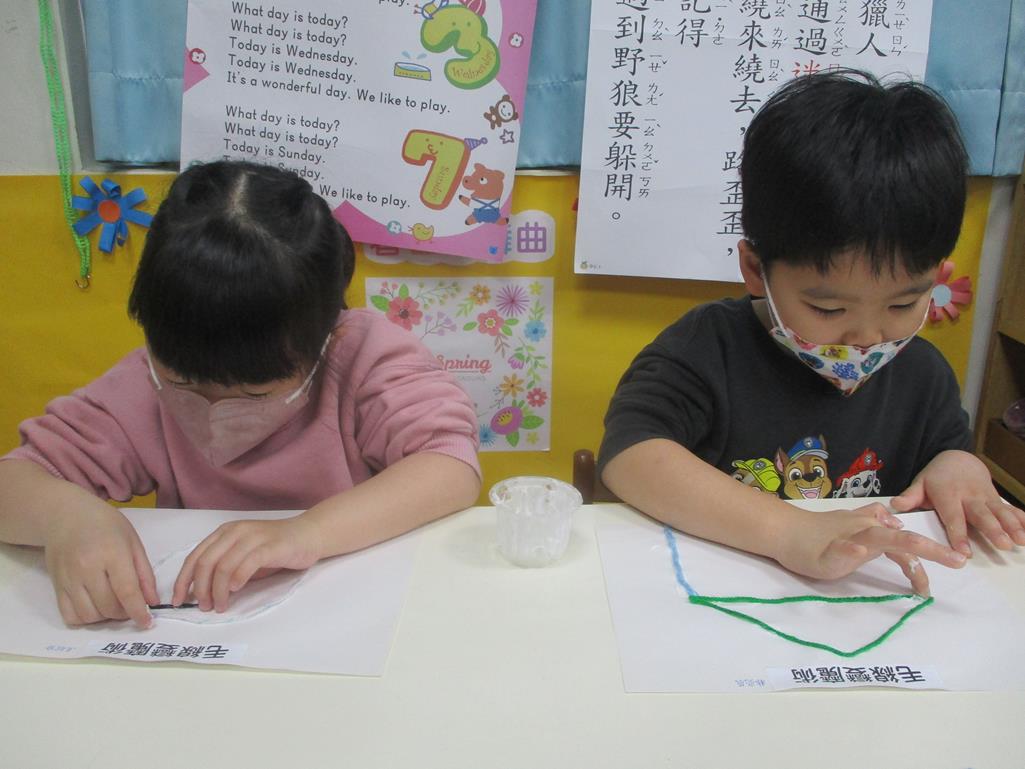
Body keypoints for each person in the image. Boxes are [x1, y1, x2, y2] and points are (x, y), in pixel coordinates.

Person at [0, 160, 481, 628]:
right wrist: (65, 516)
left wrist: (307, 533)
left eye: (254, 393)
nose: (213, 409)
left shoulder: (360, 356)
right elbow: (13, 482)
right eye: (183, 382)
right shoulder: (142, 382)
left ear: (324, 339)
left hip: (351, 617)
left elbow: (450, 465)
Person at [598, 70, 1025, 596]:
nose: (868, 336)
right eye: (828, 308)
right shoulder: (706, 348)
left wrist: (958, 467)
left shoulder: (923, 375)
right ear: (756, 270)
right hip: (726, 597)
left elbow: (946, 451)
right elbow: (631, 455)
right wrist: (786, 531)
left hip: (859, 605)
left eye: (902, 303)